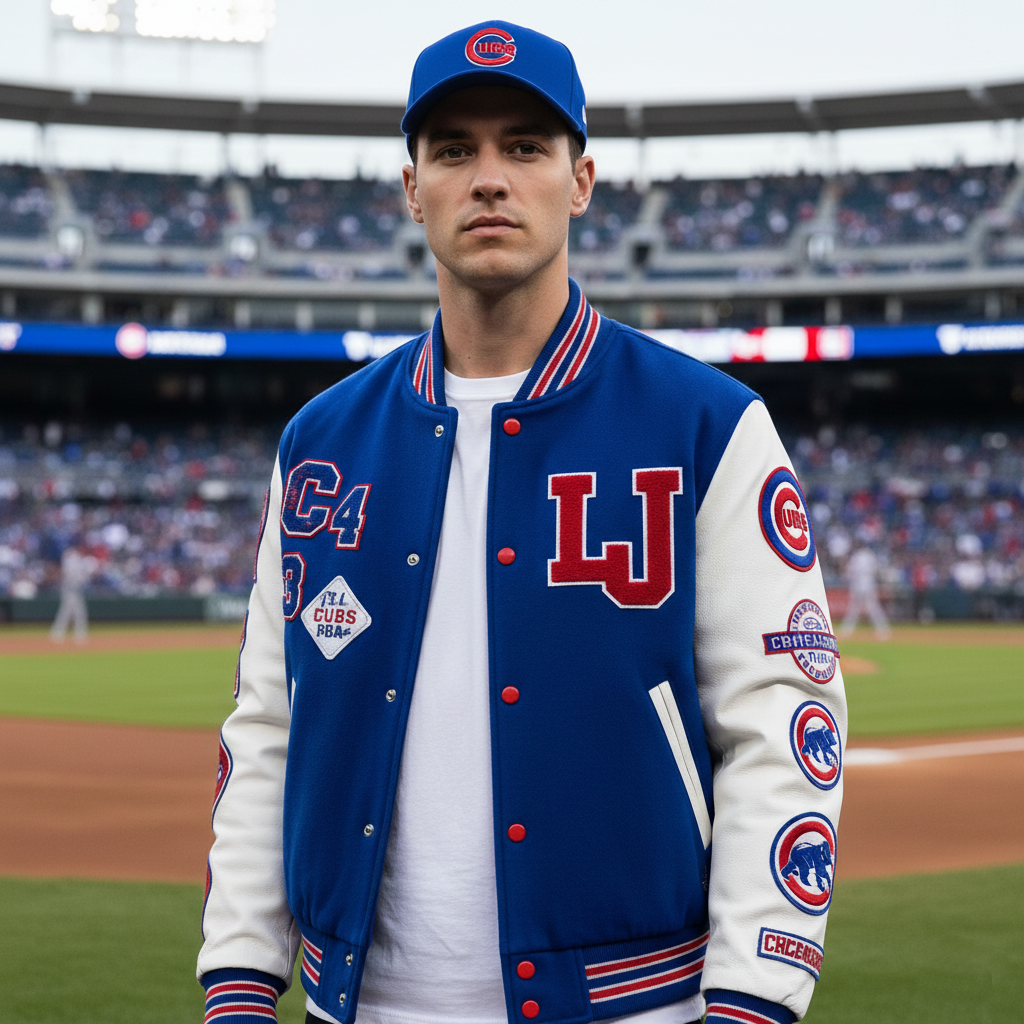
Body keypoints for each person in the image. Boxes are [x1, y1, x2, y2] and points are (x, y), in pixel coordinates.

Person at [198, 22, 847, 1024]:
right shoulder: (320, 442)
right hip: (355, 1002)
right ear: (412, 189)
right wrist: (240, 979)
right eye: (454, 150)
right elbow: (269, 726)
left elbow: (784, 723)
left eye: (526, 147)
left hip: (635, 1003)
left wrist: (753, 996)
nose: (490, 179)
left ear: (580, 181)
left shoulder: (707, 425)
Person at [50, 539, 94, 643]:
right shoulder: (72, 558)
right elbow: (72, 574)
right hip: (70, 589)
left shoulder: (76, 558)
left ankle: (60, 634)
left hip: (74, 589)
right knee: (72, 612)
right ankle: (73, 635)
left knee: (71, 612)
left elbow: (83, 576)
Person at [841, 546, 891, 639]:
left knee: (854, 609)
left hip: (858, 584)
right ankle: (883, 630)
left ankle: (846, 631)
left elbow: (850, 572)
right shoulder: (870, 555)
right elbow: (875, 570)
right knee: (873, 608)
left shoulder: (856, 556)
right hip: (868, 584)